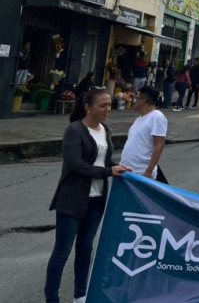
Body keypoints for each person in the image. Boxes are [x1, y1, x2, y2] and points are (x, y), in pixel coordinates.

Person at [44, 88, 131, 303]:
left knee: (85, 249)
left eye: (109, 104)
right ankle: (51, 298)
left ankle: (80, 295)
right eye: (103, 105)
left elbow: (103, 160)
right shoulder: (74, 130)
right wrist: (107, 171)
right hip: (72, 199)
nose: (107, 109)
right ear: (88, 107)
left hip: (96, 200)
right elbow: (75, 164)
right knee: (62, 251)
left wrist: (117, 167)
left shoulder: (105, 130)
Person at [119, 86, 167, 180]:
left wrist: (148, 172)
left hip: (141, 173)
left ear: (143, 100)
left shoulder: (157, 117)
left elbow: (159, 145)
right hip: (127, 171)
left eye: (136, 98)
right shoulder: (139, 119)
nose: (133, 101)